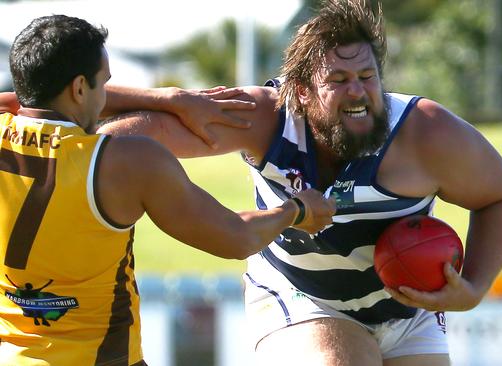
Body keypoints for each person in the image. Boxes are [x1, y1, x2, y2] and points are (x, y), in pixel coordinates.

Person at [0, 15, 335, 365]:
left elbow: (20, 100)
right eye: (103, 85)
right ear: (80, 88)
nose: (104, 99)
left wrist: (171, 98)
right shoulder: (126, 162)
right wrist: (297, 210)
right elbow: (235, 236)